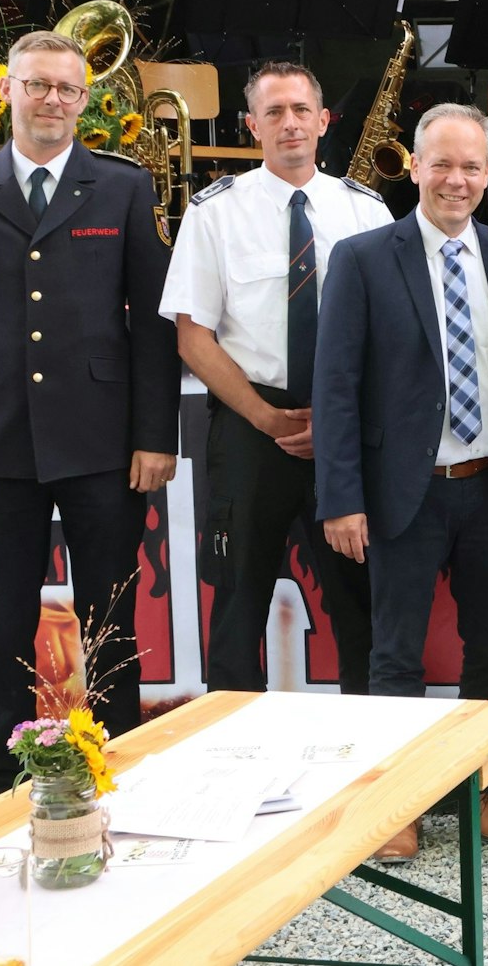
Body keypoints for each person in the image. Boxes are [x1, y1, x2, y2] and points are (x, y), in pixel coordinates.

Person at [0, 30, 179, 805]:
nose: (52, 100)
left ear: (86, 99)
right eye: (37, 85)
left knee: (112, 615)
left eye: (67, 88)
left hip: (102, 442)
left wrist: (153, 435)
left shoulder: (123, 187)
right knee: (1, 616)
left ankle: (119, 757)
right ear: (10, 91)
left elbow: (153, 325)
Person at [314, 103, 488, 861]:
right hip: (398, 493)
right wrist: (341, 497)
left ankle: (484, 789)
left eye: (471, 166)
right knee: (396, 654)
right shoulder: (361, 257)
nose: (456, 179)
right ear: (413, 166)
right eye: (441, 163)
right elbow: (337, 387)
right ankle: (399, 802)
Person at [160, 61, 386, 696]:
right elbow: (193, 336)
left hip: (342, 432)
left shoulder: (365, 212)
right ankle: (229, 760)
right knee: (237, 602)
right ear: (250, 124)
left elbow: (391, 337)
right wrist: (265, 416)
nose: (289, 124)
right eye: (274, 112)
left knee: (360, 602)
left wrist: (337, 420)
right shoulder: (215, 213)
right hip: (249, 427)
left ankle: (367, 767)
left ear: (323, 120)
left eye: (301, 110)